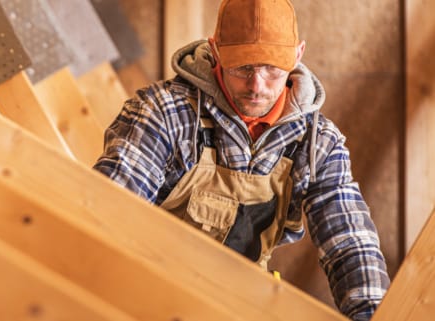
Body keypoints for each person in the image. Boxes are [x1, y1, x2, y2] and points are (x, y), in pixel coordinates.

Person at [94, 0, 390, 319]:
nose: (256, 86)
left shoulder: (317, 143)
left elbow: (349, 241)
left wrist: (372, 314)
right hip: (149, 299)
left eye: (272, 70)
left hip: (243, 307)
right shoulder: (162, 114)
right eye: (243, 68)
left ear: (297, 55)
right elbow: (110, 211)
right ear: (216, 50)